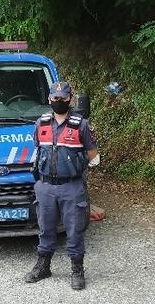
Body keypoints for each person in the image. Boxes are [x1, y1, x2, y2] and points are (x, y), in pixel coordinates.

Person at [24, 81, 99, 290]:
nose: (59, 101)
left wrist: (75, 167)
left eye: (63, 98)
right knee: (45, 228)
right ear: (49, 99)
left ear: (70, 99)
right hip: (45, 186)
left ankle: (77, 270)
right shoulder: (41, 123)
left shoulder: (81, 124)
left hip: (71, 186)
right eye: (55, 98)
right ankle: (43, 266)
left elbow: (93, 154)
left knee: (74, 230)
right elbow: (38, 150)